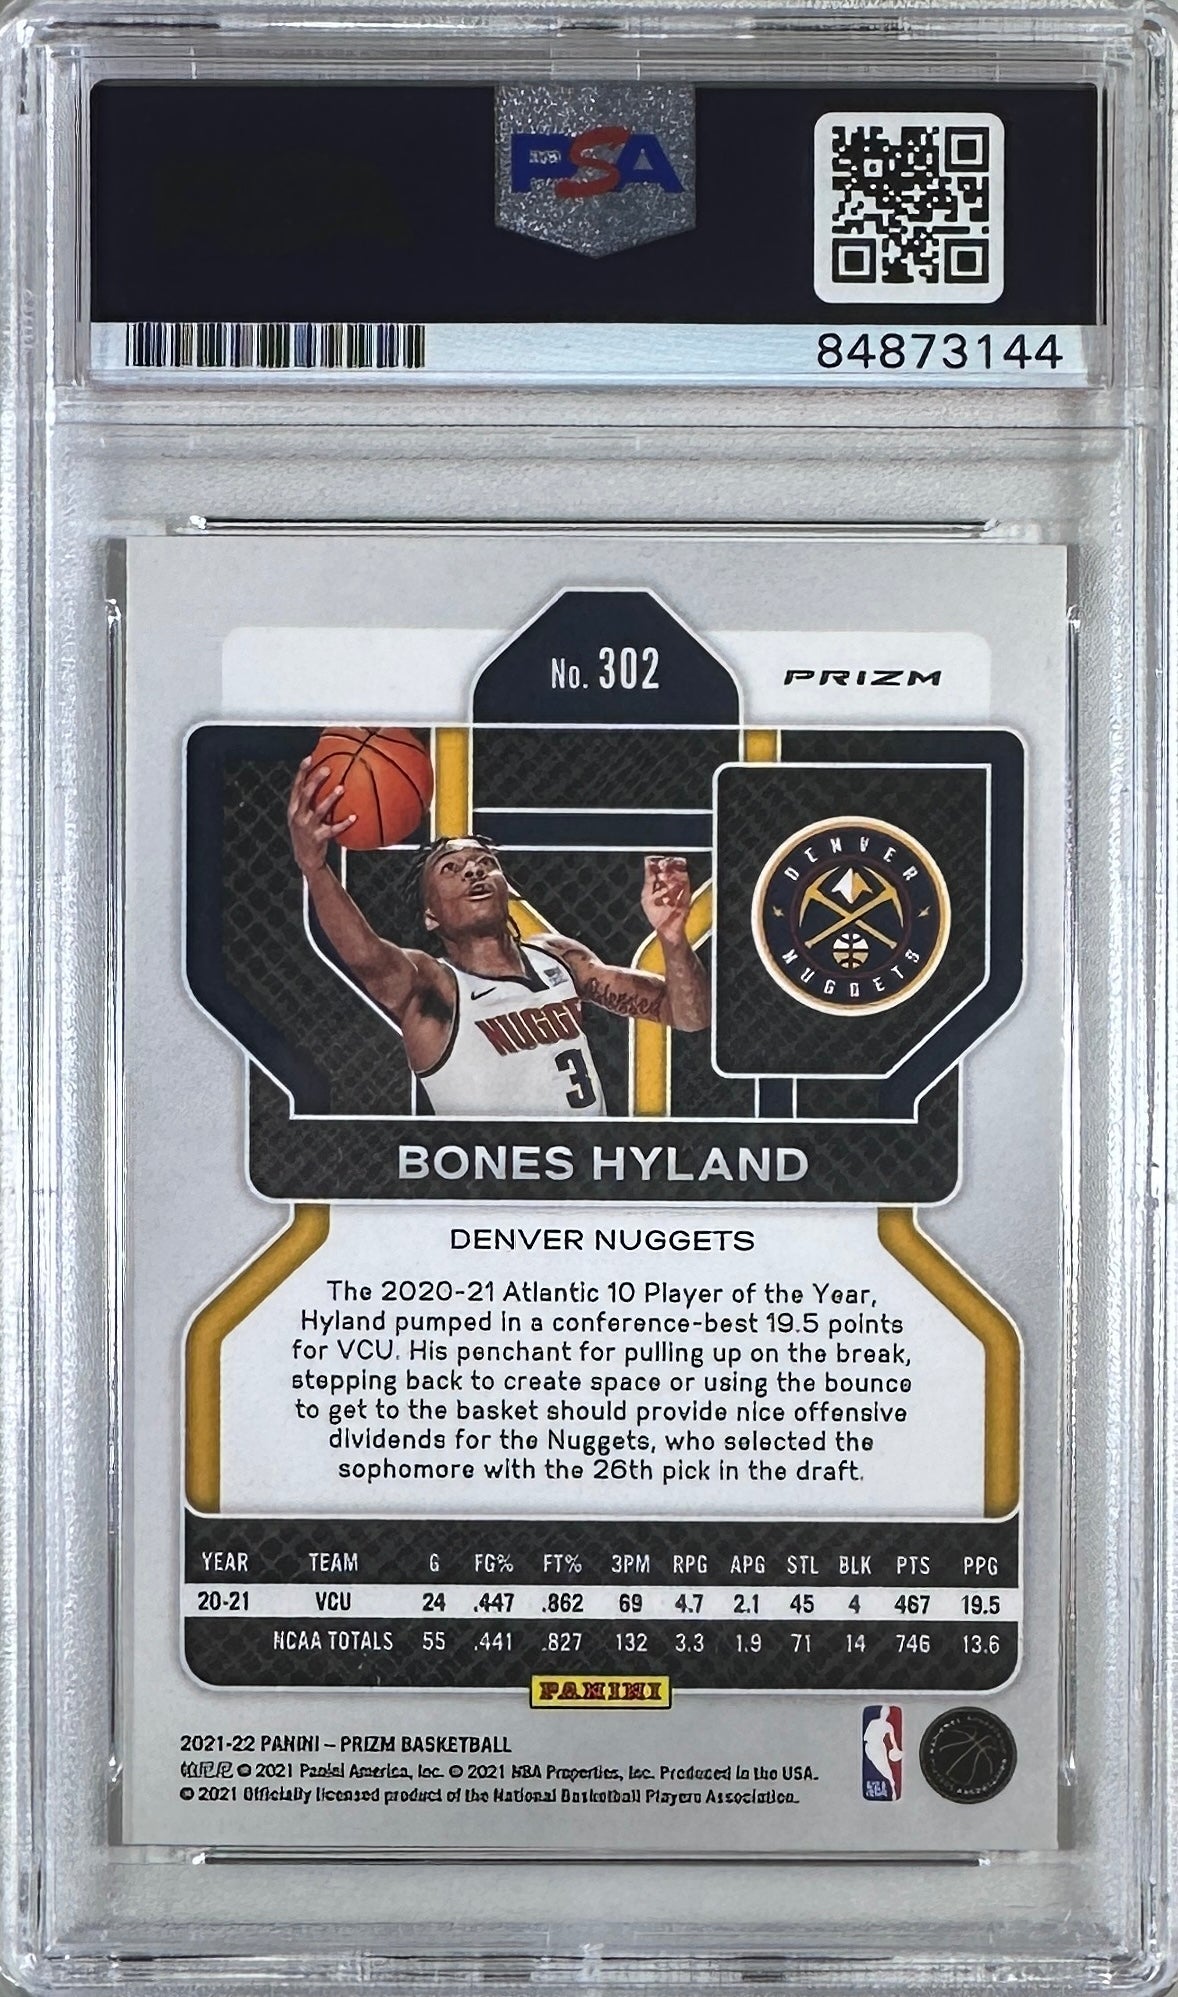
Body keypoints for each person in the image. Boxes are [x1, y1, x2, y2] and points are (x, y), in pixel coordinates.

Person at [287, 756, 710, 1118]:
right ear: (431, 916)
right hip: (494, 1182)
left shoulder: (559, 958)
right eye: (450, 869)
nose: (473, 870)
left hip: (583, 1175)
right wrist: (315, 869)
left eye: (485, 862)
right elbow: (366, 956)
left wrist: (673, 937)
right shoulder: (435, 988)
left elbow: (690, 1015)